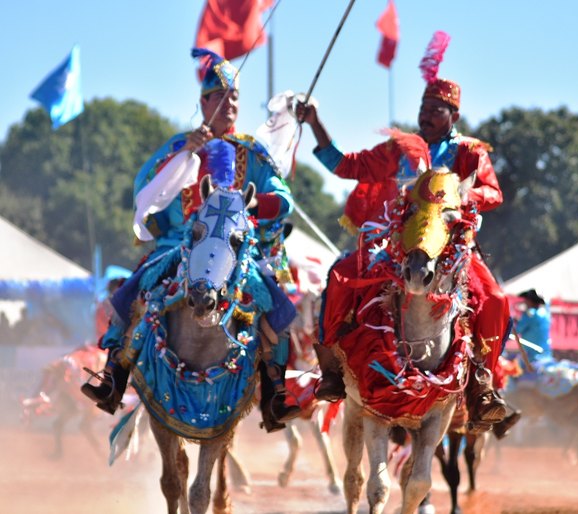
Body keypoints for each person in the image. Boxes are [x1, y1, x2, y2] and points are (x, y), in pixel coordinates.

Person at [81, 48, 300, 432]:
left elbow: (283, 200)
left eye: (234, 97)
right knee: (134, 288)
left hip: (236, 250)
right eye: (220, 96)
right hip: (182, 245)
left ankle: (273, 391)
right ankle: (113, 376)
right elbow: (145, 191)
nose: (229, 103)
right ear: (203, 102)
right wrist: (186, 152)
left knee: (274, 301)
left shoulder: (252, 152)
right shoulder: (180, 147)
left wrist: (251, 205)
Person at [296, 72, 509, 432]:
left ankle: (481, 386)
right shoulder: (401, 148)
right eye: (423, 107)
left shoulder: (470, 153)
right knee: (338, 276)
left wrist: (460, 194)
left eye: (436, 109)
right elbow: (346, 166)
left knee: (496, 299)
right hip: (395, 246)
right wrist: (315, 123)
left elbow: (493, 193)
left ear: (453, 115)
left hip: (451, 251)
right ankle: (332, 368)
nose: (425, 115)